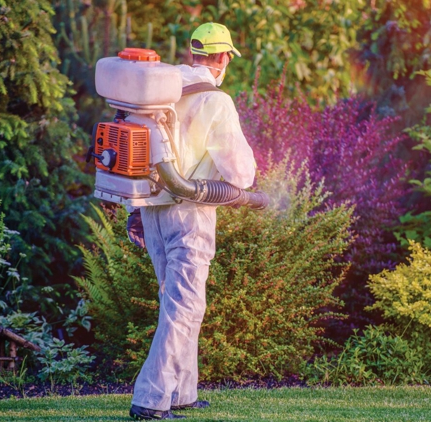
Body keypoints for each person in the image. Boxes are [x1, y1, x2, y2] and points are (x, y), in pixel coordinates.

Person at [129, 22, 256, 420]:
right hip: (190, 212)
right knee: (185, 307)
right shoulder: (216, 101)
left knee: (176, 302)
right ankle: (150, 400)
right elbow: (240, 174)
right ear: (222, 59)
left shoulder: (160, 94)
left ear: (193, 54)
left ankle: (182, 392)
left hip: (151, 209)